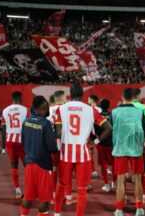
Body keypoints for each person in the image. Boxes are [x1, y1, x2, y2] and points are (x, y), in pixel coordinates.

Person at [53, 84, 112, 216]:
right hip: (83, 153)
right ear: (82, 95)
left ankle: (56, 213)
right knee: (81, 189)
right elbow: (108, 128)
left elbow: (57, 133)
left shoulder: (61, 109)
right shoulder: (91, 110)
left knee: (61, 185)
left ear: (70, 94)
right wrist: (95, 141)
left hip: (66, 153)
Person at [112, 88, 145, 216]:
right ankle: (139, 209)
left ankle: (119, 210)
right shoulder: (139, 111)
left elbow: (111, 129)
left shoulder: (114, 112)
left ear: (122, 97)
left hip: (120, 149)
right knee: (137, 179)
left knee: (120, 180)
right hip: (136, 149)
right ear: (133, 97)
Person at [20, 96, 58, 216]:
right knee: (44, 200)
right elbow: (52, 147)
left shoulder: (26, 121)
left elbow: (23, 142)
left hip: (29, 164)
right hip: (43, 165)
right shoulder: (46, 124)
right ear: (44, 107)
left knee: (28, 196)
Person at [1, 91, 28, 199]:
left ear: (12, 99)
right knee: (28, 165)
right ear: (21, 98)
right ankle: (29, 189)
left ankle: (17, 191)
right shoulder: (26, 110)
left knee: (13, 165)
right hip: (22, 141)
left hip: (10, 140)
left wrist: (3, 146)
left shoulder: (5, 111)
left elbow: (3, 130)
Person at [132, 88, 145, 204]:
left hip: (126, 143)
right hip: (140, 142)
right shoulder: (143, 107)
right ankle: (144, 194)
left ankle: (122, 198)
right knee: (144, 168)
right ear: (138, 96)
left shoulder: (123, 108)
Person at [95, 98, 116, 192]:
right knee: (114, 165)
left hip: (102, 143)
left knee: (103, 165)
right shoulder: (113, 115)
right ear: (109, 106)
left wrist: (95, 140)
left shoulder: (98, 116)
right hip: (112, 143)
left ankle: (106, 185)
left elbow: (95, 130)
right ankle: (114, 183)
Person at [88, 94, 101, 179]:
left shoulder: (89, 109)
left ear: (91, 100)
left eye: (88, 99)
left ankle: (93, 170)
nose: (87, 101)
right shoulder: (100, 109)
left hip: (92, 133)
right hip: (100, 134)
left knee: (91, 153)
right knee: (100, 151)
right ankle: (105, 169)